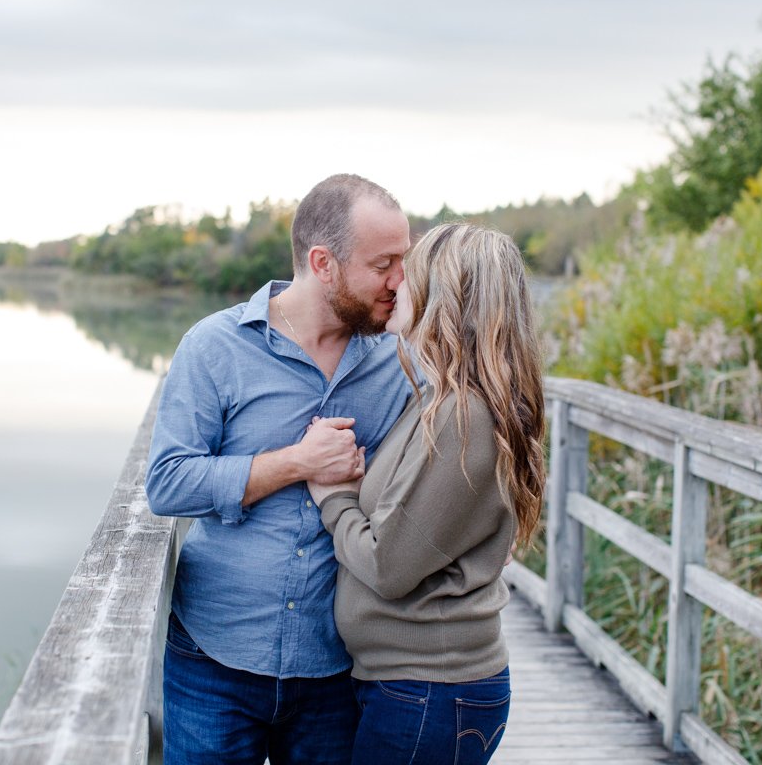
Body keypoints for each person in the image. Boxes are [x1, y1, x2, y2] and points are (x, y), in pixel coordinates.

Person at [145, 174, 414, 765]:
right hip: (214, 659)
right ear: (324, 263)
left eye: (405, 261)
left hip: (336, 667)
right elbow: (167, 481)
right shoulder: (215, 347)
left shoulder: (399, 363)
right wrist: (298, 462)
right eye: (384, 264)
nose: (400, 281)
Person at [306, 222, 547, 765]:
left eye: (407, 275)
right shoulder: (444, 400)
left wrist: (333, 495)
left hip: (429, 691)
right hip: (417, 688)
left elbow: (389, 565)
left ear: (445, 293)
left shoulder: (461, 416)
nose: (394, 284)